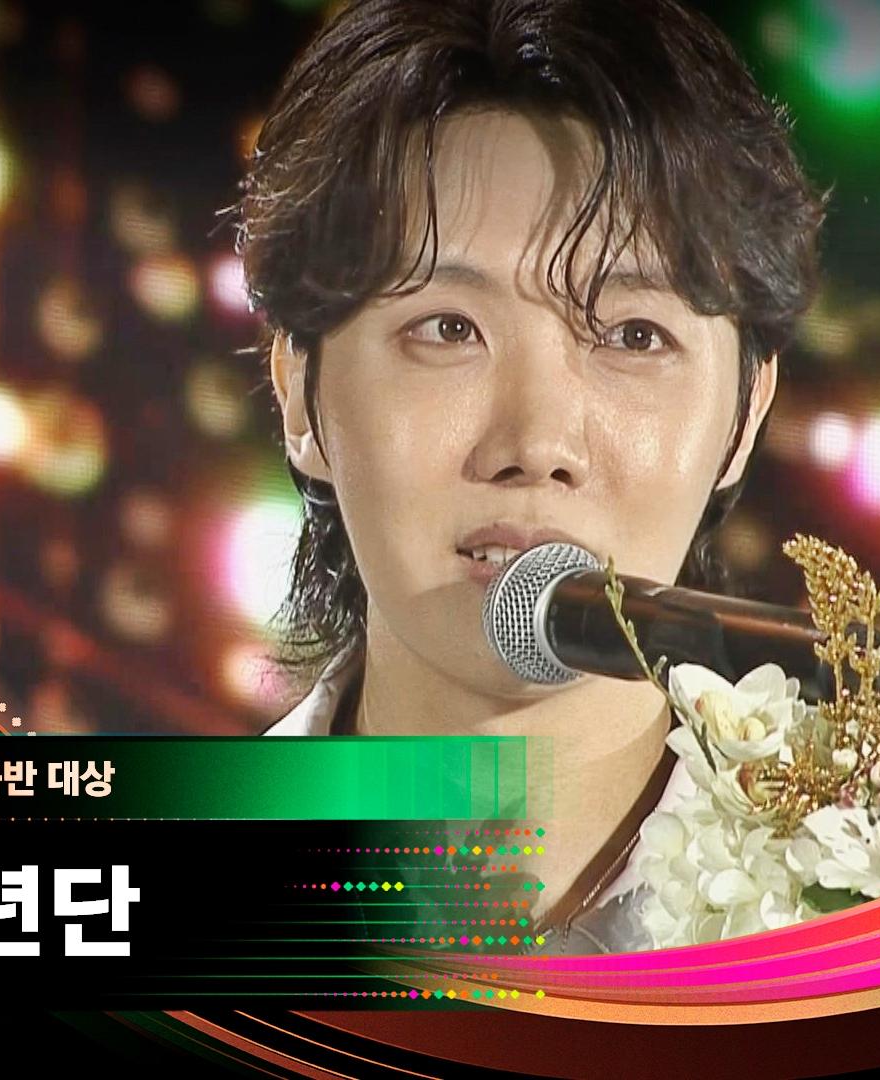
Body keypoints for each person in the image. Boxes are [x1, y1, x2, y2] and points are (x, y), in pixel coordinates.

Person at [235, 0, 826, 952]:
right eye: (447, 330)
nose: (539, 441)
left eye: (634, 337)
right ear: (301, 396)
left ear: (745, 414)